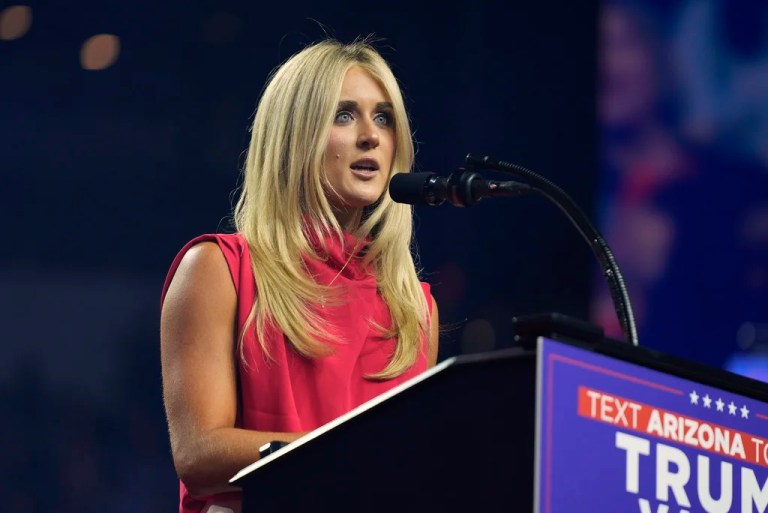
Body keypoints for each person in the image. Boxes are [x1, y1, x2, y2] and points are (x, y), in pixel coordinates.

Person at [159, 38, 440, 513]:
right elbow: (198, 454)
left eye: (384, 118)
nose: (371, 136)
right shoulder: (218, 269)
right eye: (344, 115)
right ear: (294, 137)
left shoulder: (414, 308)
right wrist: (346, 455)